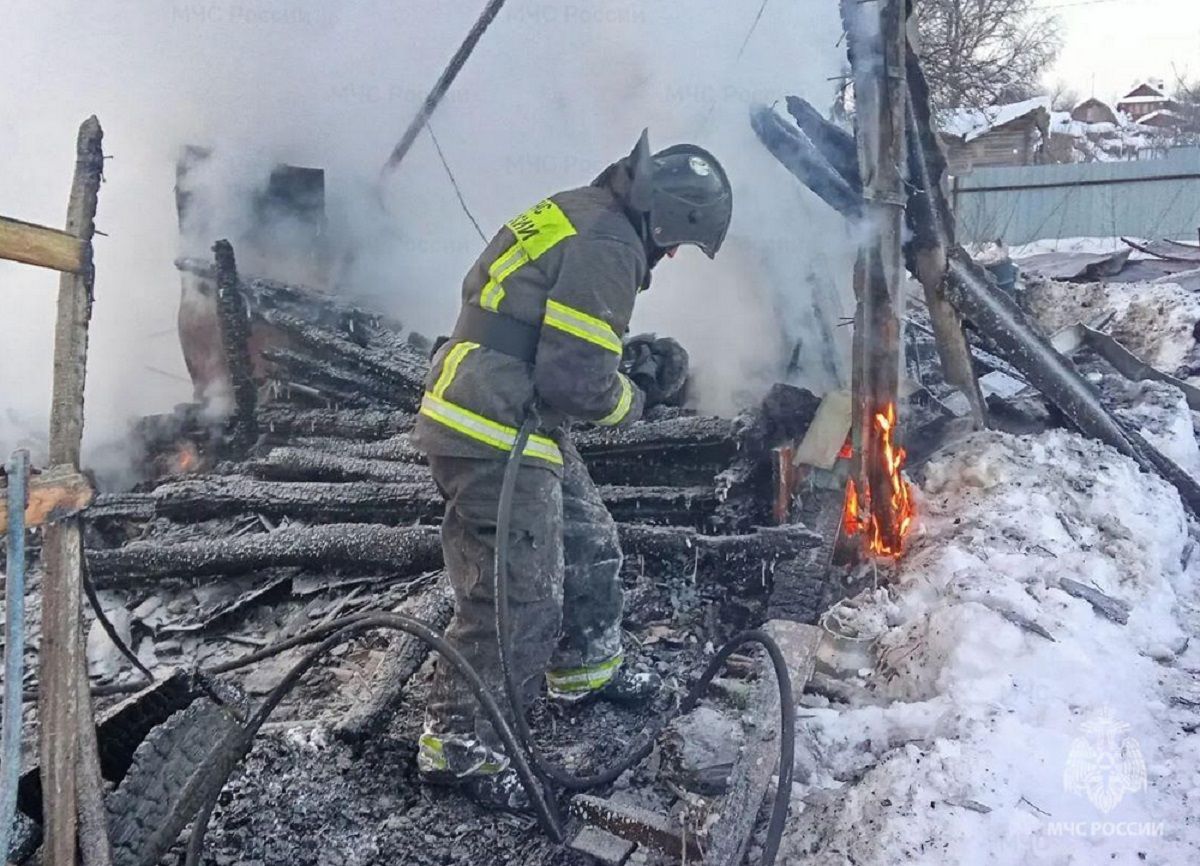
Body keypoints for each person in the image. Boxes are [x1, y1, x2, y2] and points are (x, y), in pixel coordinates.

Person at [409, 129, 733, 810]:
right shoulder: (611, 242)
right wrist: (635, 398)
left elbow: (543, 326)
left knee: (587, 538)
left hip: (501, 410)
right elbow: (576, 383)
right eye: (677, 242)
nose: (670, 256)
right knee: (518, 593)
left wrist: (622, 356)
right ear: (668, 216)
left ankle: (586, 667)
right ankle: (460, 745)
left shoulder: (580, 210)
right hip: (494, 426)